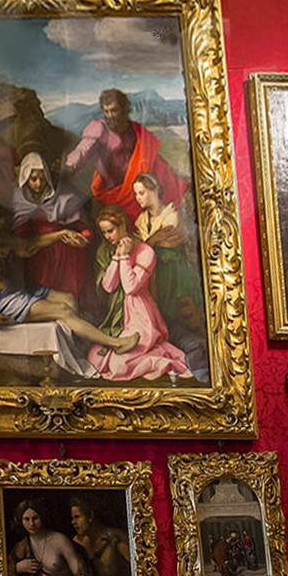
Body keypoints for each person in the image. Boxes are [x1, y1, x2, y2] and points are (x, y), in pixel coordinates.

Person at [0, 202, 140, 355]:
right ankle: (116, 344)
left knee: (68, 299)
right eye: (8, 221)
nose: (10, 226)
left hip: (13, 290)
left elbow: (27, 246)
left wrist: (61, 234)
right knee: (63, 310)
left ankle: (82, 347)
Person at [88, 205, 193, 382]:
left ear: (123, 225)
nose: (107, 237)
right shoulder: (115, 249)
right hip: (120, 314)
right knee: (95, 356)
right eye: (104, 233)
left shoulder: (145, 251)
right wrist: (117, 257)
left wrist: (124, 257)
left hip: (140, 314)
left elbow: (131, 288)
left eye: (110, 231)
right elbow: (109, 287)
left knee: (120, 364)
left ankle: (161, 362)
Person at [63, 89, 189, 221]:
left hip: (135, 188)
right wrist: (70, 165)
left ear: (124, 110)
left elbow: (147, 154)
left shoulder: (134, 129)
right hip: (112, 191)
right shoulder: (99, 128)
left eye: (114, 110)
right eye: (106, 111)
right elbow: (83, 149)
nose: (110, 116)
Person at [11, 152, 95, 303]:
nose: (38, 184)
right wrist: (58, 235)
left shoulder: (63, 198)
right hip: (39, 262)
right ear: (25, 178)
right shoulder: (19, 202)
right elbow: (22, 242)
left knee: (69, 300)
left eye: (42, 179)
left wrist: (83, 239)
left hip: (67, 261)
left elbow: (85, 229)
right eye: (34, 179)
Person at [131, 172, 205, 332]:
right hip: (152, 274)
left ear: (155, 190)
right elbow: (141, 250)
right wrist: (153, 240)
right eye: (136, 194)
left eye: (141, 193)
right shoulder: (141, 220)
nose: (138, 198)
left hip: (172, 274)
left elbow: (167, 246)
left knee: (178, 317)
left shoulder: (172, 216)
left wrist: (148, 244)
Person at [7, 500, 89, 576]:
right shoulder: (21, 546)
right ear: (21, 521)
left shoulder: (60, 540)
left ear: (42, 518)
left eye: (35, 518)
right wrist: (18, 568)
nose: (31, 524)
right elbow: (2, 572)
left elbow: (81, 573)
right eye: (27, 519)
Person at [69, 497, 131, 576]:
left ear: (90, 516)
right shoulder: (79, 543)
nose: (73, 522)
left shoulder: (115, 537)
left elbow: (137, 568)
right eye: (73, 518)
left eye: (77, 517)